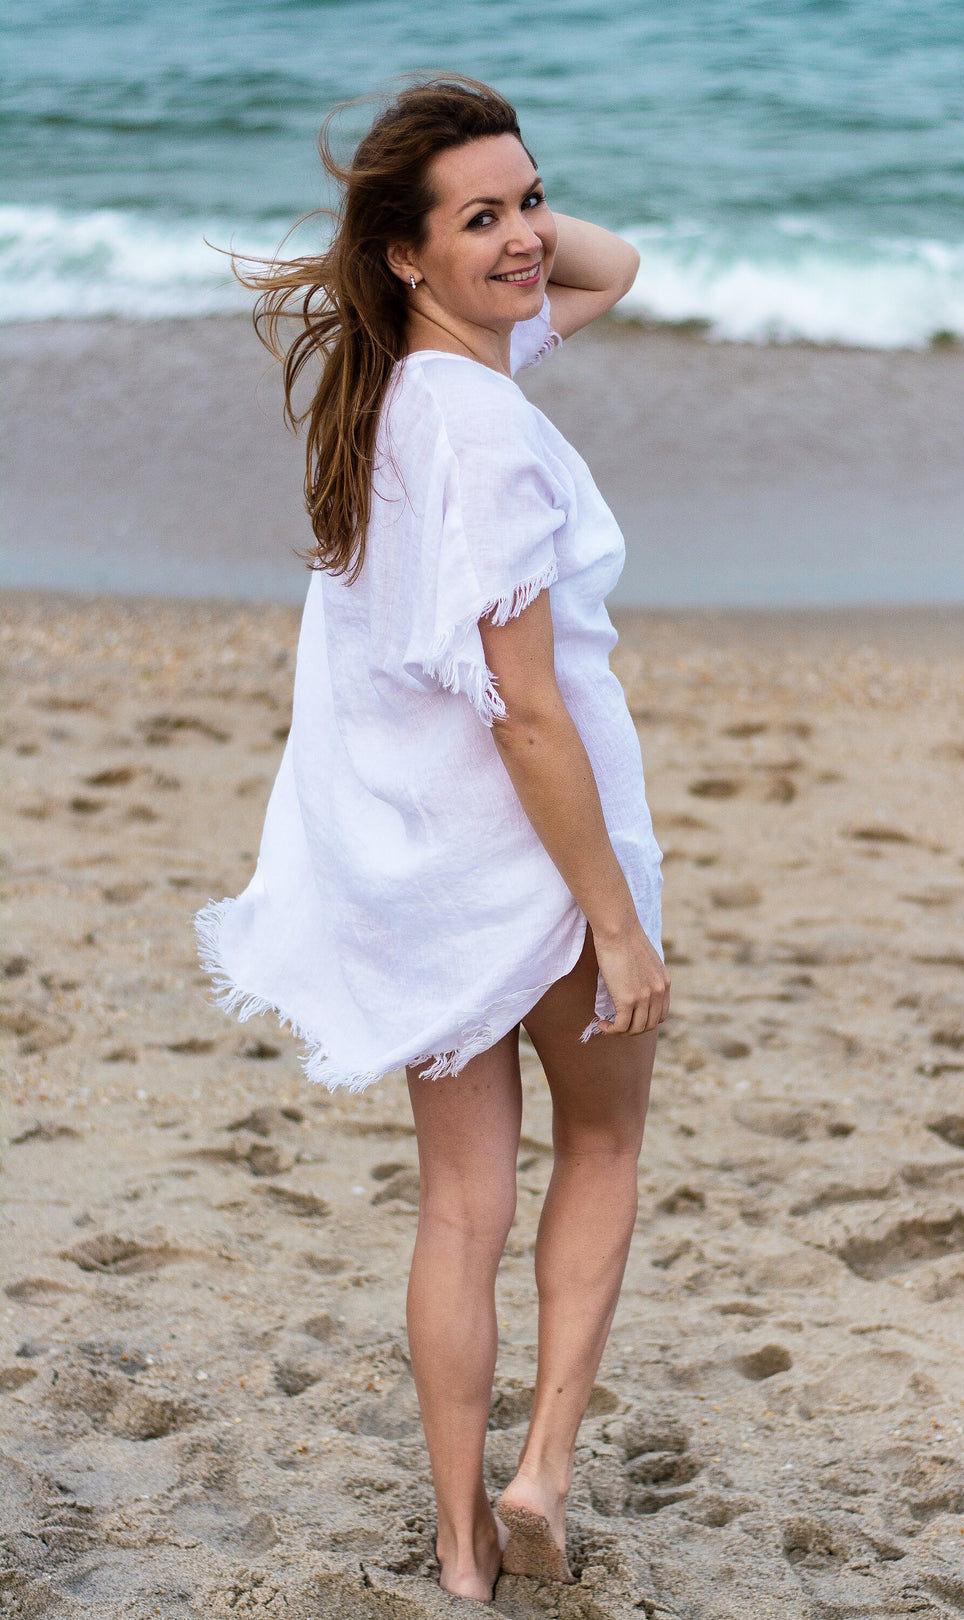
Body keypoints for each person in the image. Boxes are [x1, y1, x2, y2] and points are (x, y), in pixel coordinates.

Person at [196, 75, 668, 1601]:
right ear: (404, 254)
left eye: (533, 196)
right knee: (601, 1140)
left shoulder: (397, 392)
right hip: (543, 861)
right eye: (484, 218)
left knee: (461, 1205)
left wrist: (483, 230)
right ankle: (539, 1469)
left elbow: (613, 268)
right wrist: (611, 918)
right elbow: (528, 714)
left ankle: (463, 1553)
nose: (535, 238)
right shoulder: (490, 432)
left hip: (432, 876)